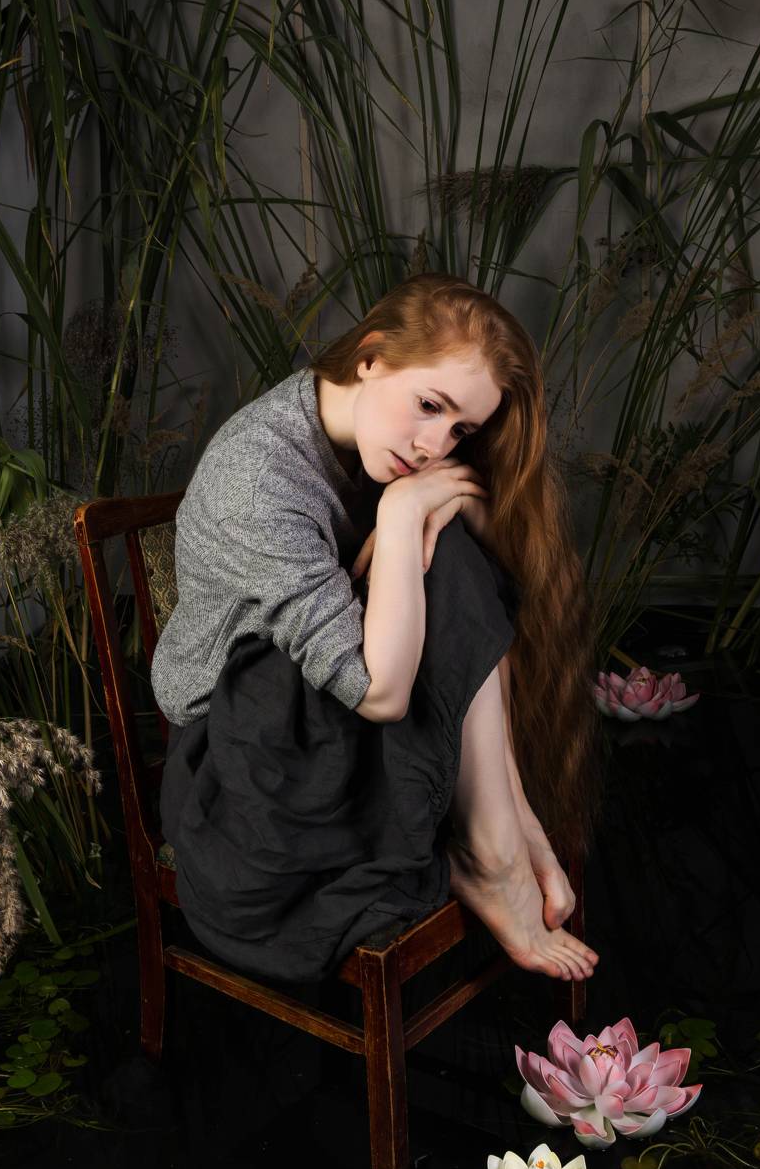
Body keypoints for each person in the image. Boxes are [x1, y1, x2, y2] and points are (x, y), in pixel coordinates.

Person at [151, 273, 601, 985]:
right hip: (244, 774)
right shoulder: (257, 478)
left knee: (454, 550)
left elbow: (498, 581)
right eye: (429, 405)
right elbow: (382, 694)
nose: (433, 445)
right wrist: (400, 514)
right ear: (370, 358)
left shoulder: (374, 435)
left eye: (459, 430)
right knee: (437, 549)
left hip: (321, 726)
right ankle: (492, 849)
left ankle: (506, 828)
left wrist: (445, 505)